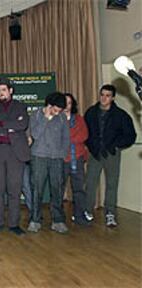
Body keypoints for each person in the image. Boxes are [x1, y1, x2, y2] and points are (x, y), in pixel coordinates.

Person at [84, 84, 136, 227]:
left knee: (112, 184)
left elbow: (130, 135)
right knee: (90, 182)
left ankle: (110, 213)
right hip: (95, 153)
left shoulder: (121, 115)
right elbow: (85, 132)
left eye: (107, 95)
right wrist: (91, 145)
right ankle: (87, 210)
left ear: (112, 98)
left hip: (112, 154)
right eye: (102, 95)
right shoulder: (91, 112)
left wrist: (116, 145)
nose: (104, 98)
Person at [0, 80, 30, 236]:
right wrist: (10, 126)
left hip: (15, 152)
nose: (1, 93)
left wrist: (1, 124)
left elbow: (22, 124)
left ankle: (13, 224)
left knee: (14, 189)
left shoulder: (20, 107)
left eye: (4, 90)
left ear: (11, 90)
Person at [28, 92, 70, 234]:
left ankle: (58, 220)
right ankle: (35, 220)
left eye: (60, 111)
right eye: (55, 109)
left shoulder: (62, 118)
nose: (57, 113)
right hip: (39, 157)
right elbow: (35, 134)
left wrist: (62, 154)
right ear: (49, 105)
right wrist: (46, 118)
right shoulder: (36, 115)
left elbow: (66, 138)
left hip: (56, 158)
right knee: (37, 189)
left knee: (57, 189)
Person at [62, 93, 89, 225]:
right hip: (60, 159)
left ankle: (79, 215)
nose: (67, 106)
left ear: (72, 105)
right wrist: (70, 138)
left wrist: (67, 138)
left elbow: (83, 135)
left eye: (69, 103)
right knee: (58, 189)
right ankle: (58, 217)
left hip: (76, 158)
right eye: (64, 103)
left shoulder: (79, 119)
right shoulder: (56, 118)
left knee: (79, 189)